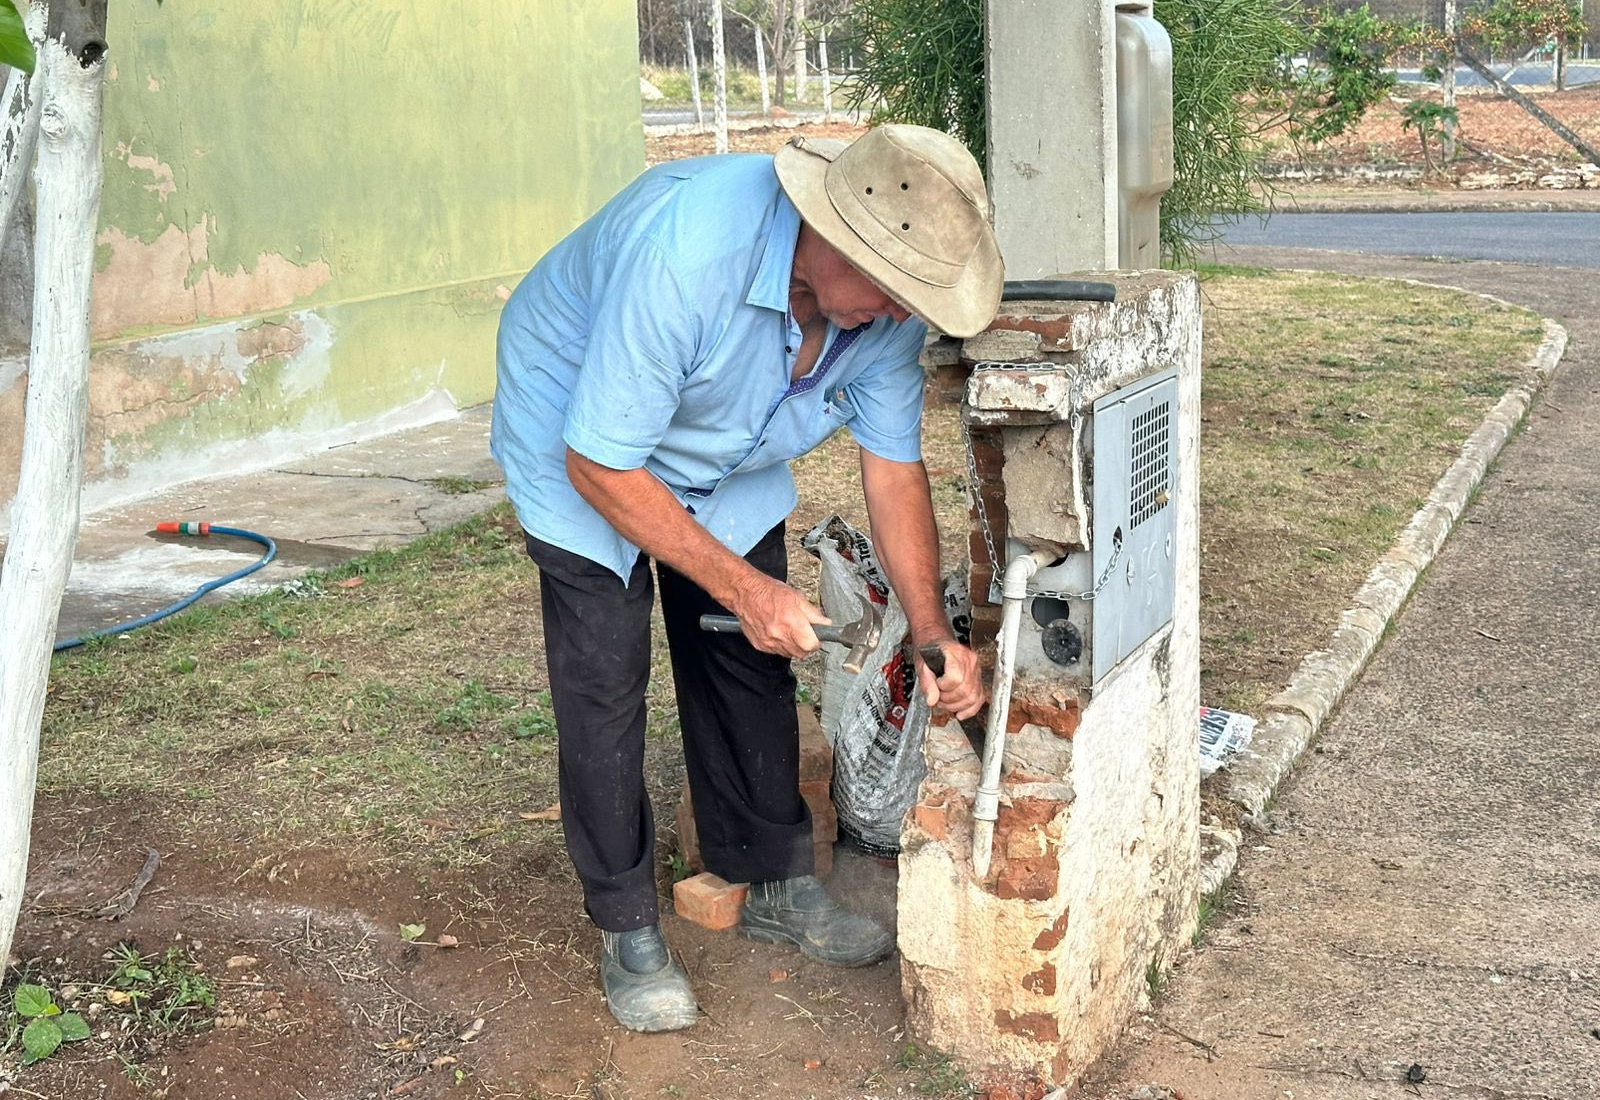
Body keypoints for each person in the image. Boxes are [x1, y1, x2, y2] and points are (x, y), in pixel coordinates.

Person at [491, 124, 1004, 1033]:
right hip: (580, 424)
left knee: (748, 659)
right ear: (828, 236)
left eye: (910, 299)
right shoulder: (689, 257)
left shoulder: (879, 314)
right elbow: (603, 465)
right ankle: (626, 925)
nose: (897, 314)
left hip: (726, 433)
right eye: (889, 289)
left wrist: (930, 631)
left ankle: (772, 879)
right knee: (605, 677)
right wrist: (744, 588)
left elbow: (892, 470)